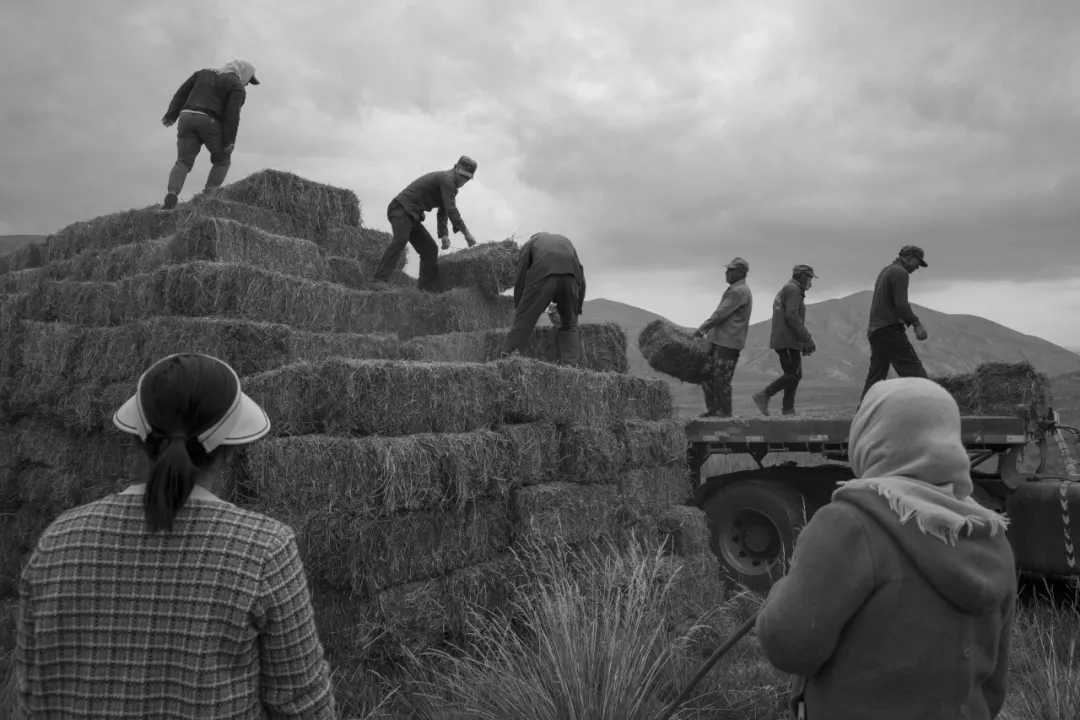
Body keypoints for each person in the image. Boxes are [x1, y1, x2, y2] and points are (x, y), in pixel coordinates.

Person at [14, 353, 336, 719]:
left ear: (138, 438)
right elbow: (305, 707)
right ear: (229, 451)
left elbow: (32, 701)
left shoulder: (58, 542)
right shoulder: (264, 550)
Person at [755, 377, 1016, 720]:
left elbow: (790, 648)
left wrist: (779, 594)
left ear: (870, 435)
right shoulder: (989, 532)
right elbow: (995, 685)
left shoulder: (848, 524)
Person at [160, 59, 260, 211]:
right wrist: (229, 142)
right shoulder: (237, 86)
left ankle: (172, 195)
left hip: (186, 117)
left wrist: (171, 115)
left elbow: (181, 93)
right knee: (223, 161)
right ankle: (206, 200)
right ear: (243, 73)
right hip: (209, 121)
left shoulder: (202, 73)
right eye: (248, 80)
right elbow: (231, 115)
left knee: (183, 161)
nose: (247, 84)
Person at [372, 156, 479, 292]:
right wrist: (466, 233)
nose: (464, 180)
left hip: (413, 216)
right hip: (400, 209)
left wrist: (444, 235)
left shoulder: (451, 187)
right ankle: (379, 281)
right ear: (456, 168)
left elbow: (444, 211)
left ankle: (424, 291)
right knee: (401, 239)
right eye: (462, 175)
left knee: (430, 249)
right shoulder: (447, 179)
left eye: (467, 178)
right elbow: (452, 209)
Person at [500, 232, 586, 365]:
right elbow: (581, 273)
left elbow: (521, 276)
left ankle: (507, 362)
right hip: (571, 278)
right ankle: (571, 368)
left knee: (524, 323)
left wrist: (520, 308)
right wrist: (577, 308)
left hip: (543, 274)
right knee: (570, 324)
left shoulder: (530, 244)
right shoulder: (565, 241)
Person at [860, 245, 930, 401]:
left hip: (876, 331)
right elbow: (901, 304)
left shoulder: (887, 270)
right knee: (914, 371)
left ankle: (863, 413)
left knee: (876, 376)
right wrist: (916, 323)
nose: (918, 267)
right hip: (889, 329)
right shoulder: (900, 273)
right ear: (911, 258)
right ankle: (929, 409)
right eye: (918, 263)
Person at [752, 264, 817, 417]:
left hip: (788, 339)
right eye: (809, 277)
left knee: (794, 374)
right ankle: (764, 395)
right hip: (787, 340)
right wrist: (807, 339)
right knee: (793, 375)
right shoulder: (793, 290)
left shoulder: (788, 289)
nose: (810, 282)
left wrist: (801, 341)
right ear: (801, 276)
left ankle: (788, 409)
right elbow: (792, 315)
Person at [692, 257, 753, 418]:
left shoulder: (738, 291)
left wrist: (702, 329)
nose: (726, 273)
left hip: (728, 342)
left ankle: (724, 413)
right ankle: (713, 410)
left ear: (740, 272)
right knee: (707, 375)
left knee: (721, 378)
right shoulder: (735, 290)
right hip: (720, 340)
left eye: (730, 270)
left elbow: (721, 314)